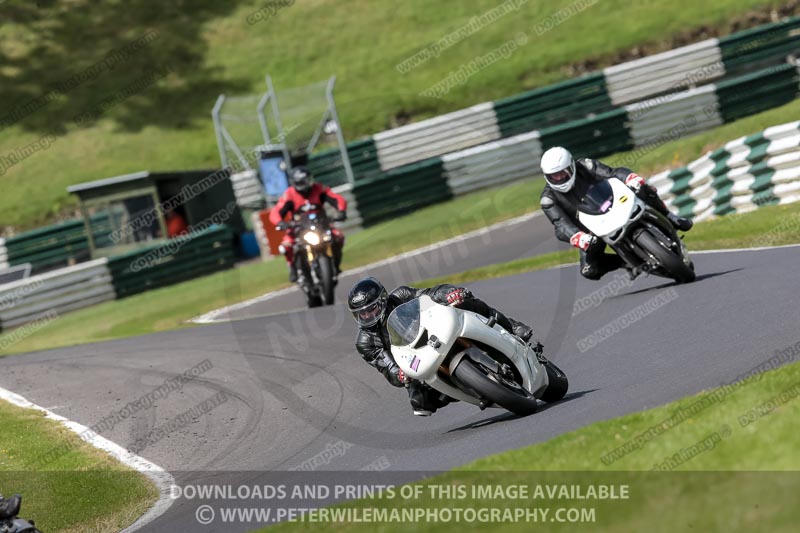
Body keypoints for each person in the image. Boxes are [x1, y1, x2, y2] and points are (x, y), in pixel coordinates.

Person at [347, 277, 539, 416]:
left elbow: (428, 295)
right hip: (415, 360)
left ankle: (511, 326)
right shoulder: (365, 342)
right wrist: (400, 374)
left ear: (382, 300)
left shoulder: (400, 295)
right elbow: (387, 367)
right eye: (361, 314)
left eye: (370, 310)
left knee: (466, 302)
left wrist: (450, 294)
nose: (367, 317)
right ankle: (470, 389)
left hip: (434, 331)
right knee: (420, 403)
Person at [539, 146, 693, 281]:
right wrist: (576, 236)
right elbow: (560, 223)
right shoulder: (548, 199)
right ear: (547, 176)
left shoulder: (586, 166)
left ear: (571, 166)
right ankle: (625, 262)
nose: (559, 178)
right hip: (590, 230)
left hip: (612, 202)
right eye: (554, 176)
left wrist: (629, 178)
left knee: (643, 188)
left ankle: (671, 217)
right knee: (589, 271)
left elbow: (611, 173)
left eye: (562, 173)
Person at [269, 166, 347, 282]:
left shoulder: (319, 188)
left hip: (321, 225)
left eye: (307, 179)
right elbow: (276, 211)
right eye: (303, 181)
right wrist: (280, 222)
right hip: (299, 228)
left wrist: (341, 211)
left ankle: (335, 265)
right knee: (287, 245)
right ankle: (293, 268)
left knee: (339, 236)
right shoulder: (289, 194)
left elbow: (337, 199)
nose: (307, 183)